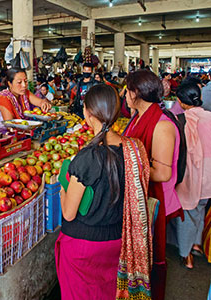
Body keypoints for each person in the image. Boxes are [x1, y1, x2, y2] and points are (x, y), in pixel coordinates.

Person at [56, 84, 152, 300]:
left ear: (88, 114)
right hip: (118, 244)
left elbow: (69, 213)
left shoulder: (87, 158)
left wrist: (63, 187)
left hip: (83, 248)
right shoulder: (134, 149)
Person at [123, 69, 183, 300]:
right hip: (139, 193)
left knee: (151, 254)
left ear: (136, 93)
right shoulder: (138, 116)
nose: (124, 96)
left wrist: (125, 166)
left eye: (127, 91)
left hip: (152, 199)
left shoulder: (162, 124)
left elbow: (162, 172)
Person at [173, 83, 211, 269]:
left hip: (191, 175)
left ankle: (186, 254)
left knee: (187, 213)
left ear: (180, 101)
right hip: (209, 176)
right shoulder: (209, 117)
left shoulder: (181, 120)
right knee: (201, 207)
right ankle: (197, 243)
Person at [0, 68, 52, 132]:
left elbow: (40, 102)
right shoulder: (4, 99)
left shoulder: (24, 93)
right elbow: (11, 127)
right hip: (2, 134)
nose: (24, 85)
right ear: (10, 84)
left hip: (21, 131)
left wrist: (44, 104)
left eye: (26, 81)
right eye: (19, 82)